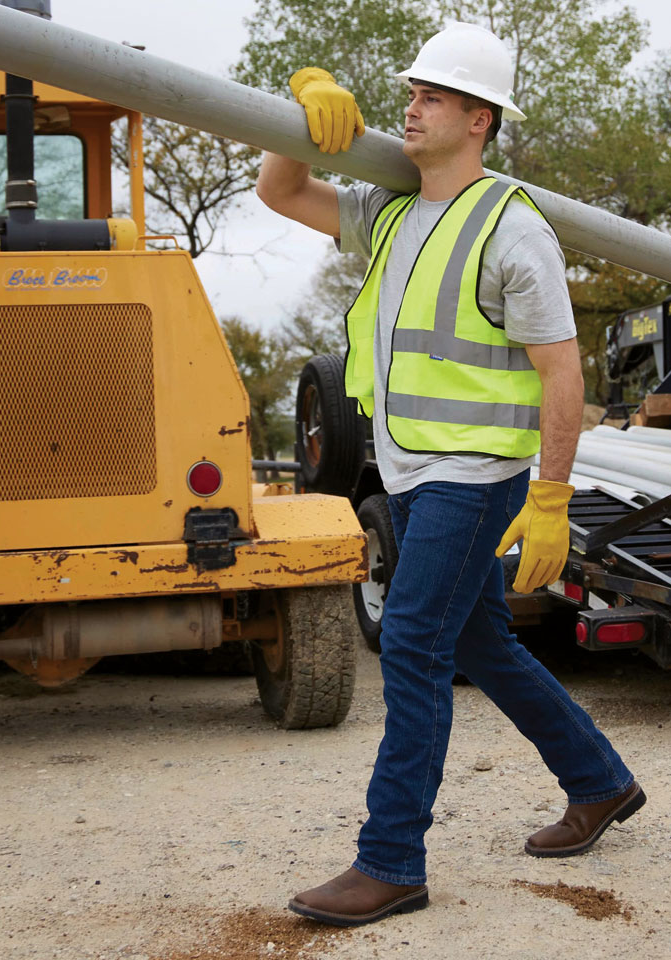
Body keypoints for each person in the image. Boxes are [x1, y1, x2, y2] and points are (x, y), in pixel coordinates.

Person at [255, 21, 645, 928]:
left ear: (479, 119)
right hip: (413, 473)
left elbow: (563, 373)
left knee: (415, 644)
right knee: (476, 643)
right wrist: (298, 111)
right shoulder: (390, 213)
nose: (411, 105)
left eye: (432, 95)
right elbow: (283, 192)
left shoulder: (515, 229)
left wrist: (551, 497)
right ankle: (600, 782)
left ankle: (391, 861)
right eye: (412, 92)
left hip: (474, 479)